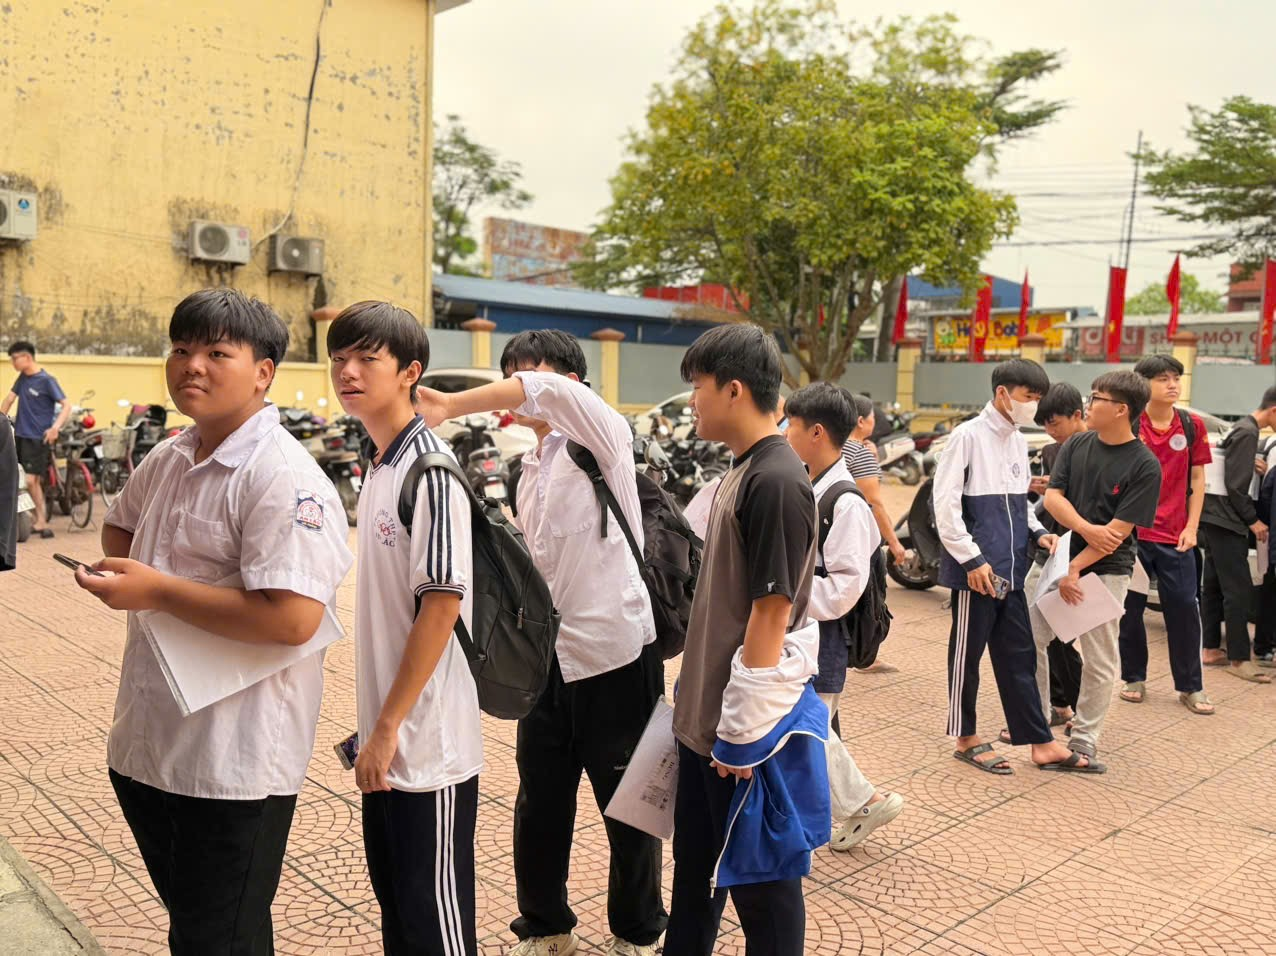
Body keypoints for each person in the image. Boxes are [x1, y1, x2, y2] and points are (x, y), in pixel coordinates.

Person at [73, 289, 353, 953]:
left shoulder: (283, 476)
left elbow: (293, 619)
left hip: (234, 760)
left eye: (217, 353)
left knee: (217, 938)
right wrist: (158, 580)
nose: (191, 365)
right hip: (149, 742)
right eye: (181, 349)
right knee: (204, 929)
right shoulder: (173, 454)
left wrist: (162, 589)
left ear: (263, 373)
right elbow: (119, 528)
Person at [416, 329, 665, 956]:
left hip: (616, 656)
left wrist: (449, 405)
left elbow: (545, 391)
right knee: (540, 803)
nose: (517, 384)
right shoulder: (528, 470)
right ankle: (547, 926)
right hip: (549, 663)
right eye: (510, 373)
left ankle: (638, 931)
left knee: (628, 807)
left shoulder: (603, 438)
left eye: (526, 372)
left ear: (573, 382)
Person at [328, 301, 482, 955]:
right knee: (401, 917)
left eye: (368, 359)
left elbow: (441, 607)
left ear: (410, 372)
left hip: (427, 750)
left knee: (436, 930)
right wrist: (378, 731)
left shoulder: (430, 470)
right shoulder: (381, 464)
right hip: (389, 746)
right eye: (339, 358)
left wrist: (389, 728)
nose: (348, 372)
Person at [665, 323, 820, 955]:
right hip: (707, 722)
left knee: (764, 887)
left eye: (698, 387)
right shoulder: (743, 469)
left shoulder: (776, 480)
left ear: (733, 389)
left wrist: (743, 733)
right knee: (696, 877)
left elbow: (772, 612)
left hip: (740, 735)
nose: (692, 401)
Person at [934, 359, 1078, 774]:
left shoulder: (1016, 440)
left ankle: (1040, 741)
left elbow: (1019, 504)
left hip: (1012, 570)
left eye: (1037, 398)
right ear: (1002, 393)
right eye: (1028, 397)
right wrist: (972, 559)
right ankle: (965, 737)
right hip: (977, 574)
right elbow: (945, 507)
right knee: (967, 656)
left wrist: (1039, 533)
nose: (1033, 405)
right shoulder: (966, 437)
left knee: (1019, 656)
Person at [784, 382, 904, 851]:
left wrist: (781, 594)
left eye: (791, 425)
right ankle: (858, 804)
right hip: (802, 633)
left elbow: (843, 591)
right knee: (810, 731)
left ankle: (866, 801)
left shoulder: (845, 502)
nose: (785, 433)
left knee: (808, 732)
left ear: (816, 432)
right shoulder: (811, 485)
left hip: (823, 640)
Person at [1043, 371, 1163, 769]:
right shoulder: (1077, 444)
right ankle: (1037, 722)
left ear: (1121, 409)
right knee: (1029, 637)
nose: (1089, 405)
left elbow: (1116, 535)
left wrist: (1076, 569)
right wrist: (1082, 532)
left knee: (1099, 656)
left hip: (1106, 570)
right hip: (1059, 559)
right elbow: (1053, 497)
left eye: (1096, 398)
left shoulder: (1144, 465)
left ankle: (1085, 738)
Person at [1117, 356, 1215, 713]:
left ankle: (1191, 687)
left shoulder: (1191, 425)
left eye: (1176, 377)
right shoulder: (1129, 422)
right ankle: (1133, 677)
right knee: (1129, 610)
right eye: (1162, 378)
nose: (1172, 384)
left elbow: (1197, 479)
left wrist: (1192, 527)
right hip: (1132, 536)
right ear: (1142, 383)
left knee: (1185, 610)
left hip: (1177, 537)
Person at [997, 383, 1086, 744]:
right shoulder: (1052, 450)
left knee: (1069, 637)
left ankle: (1069, 711)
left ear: (1077, 415)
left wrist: (1055, 494)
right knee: (1040, 634)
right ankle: (1048, 709)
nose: (1050, 430)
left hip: (1082, 555)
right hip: (1051, 549)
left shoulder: (1095, 450)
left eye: (1055, 423)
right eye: (1045, 423)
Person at [1199, 386, 1276, 683]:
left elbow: (1226, 467)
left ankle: (1210, 649)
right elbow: (1235, 486)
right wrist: (1253, 520)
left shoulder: (1239, 427)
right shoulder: (1249, 432)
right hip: (1228, 521)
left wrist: (1250, 464)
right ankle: (1240, 659)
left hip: (1213, 517)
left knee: (1213, 585)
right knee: (1238, 590)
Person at [2, 340, 70, 539]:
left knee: (32, 480)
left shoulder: (47, 380)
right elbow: (9, 400)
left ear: (27, 357)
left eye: (15, 358)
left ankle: (41, 520)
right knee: (18, 478)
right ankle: (32, 517)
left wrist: (55, 428)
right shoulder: (23, 378)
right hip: (20, 435)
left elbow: (66, 405)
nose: (13, 363)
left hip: (38, 438)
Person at [842, 394, 907, 566]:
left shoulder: (836, 446)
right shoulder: (861, 453)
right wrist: (894, 542)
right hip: (855, 536)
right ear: (861, 421)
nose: (875, 421)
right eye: (873, 417)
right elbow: (873, 503)